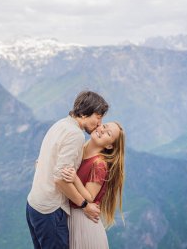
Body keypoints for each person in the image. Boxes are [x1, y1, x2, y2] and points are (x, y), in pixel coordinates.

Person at [26, 91, 109, 249]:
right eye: (98, 117)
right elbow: (60, 179)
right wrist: (85, 206)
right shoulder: (75, 135)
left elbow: (41, 162)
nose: (99, 123)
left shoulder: (60, 124)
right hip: (50, 209)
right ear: (84, 114)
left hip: (34, 205)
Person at [62, 121, 125, 249]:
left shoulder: (99, 164)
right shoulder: (81, 150)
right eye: (104, 126)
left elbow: (90, 197)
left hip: (84, 223)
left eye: (108, 133)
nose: (102, 130)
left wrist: (75, 178)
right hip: (71, 217)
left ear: (109, 146)